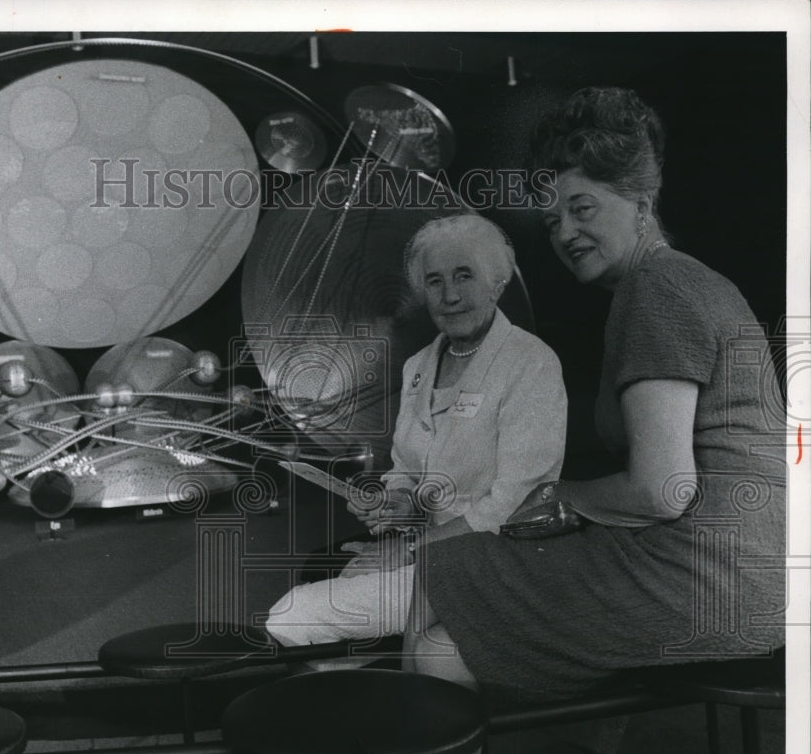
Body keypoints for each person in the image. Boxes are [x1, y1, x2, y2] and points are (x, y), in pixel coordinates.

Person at [402, 87, 787, 701]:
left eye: (582, 208)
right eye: (554, 220)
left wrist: (556, 497)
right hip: (754, 570)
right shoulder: (685, 280)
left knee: (446, 591)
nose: (565, 233)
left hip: (713, 582)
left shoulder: (657, 290)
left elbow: (664, 489)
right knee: (476, 568)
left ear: (641, 201)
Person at [264, 214, 567, 649]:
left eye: (464, 276)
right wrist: (393, 503)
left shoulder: (531, 363)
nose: (450, 295)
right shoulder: (419, 366)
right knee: (330, 575)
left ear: (497, 282)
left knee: (293, 614)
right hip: (423, 548)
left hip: (490, 561)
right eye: (434, 281)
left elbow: (514, 506)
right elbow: (407, 470)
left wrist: (407, 550)